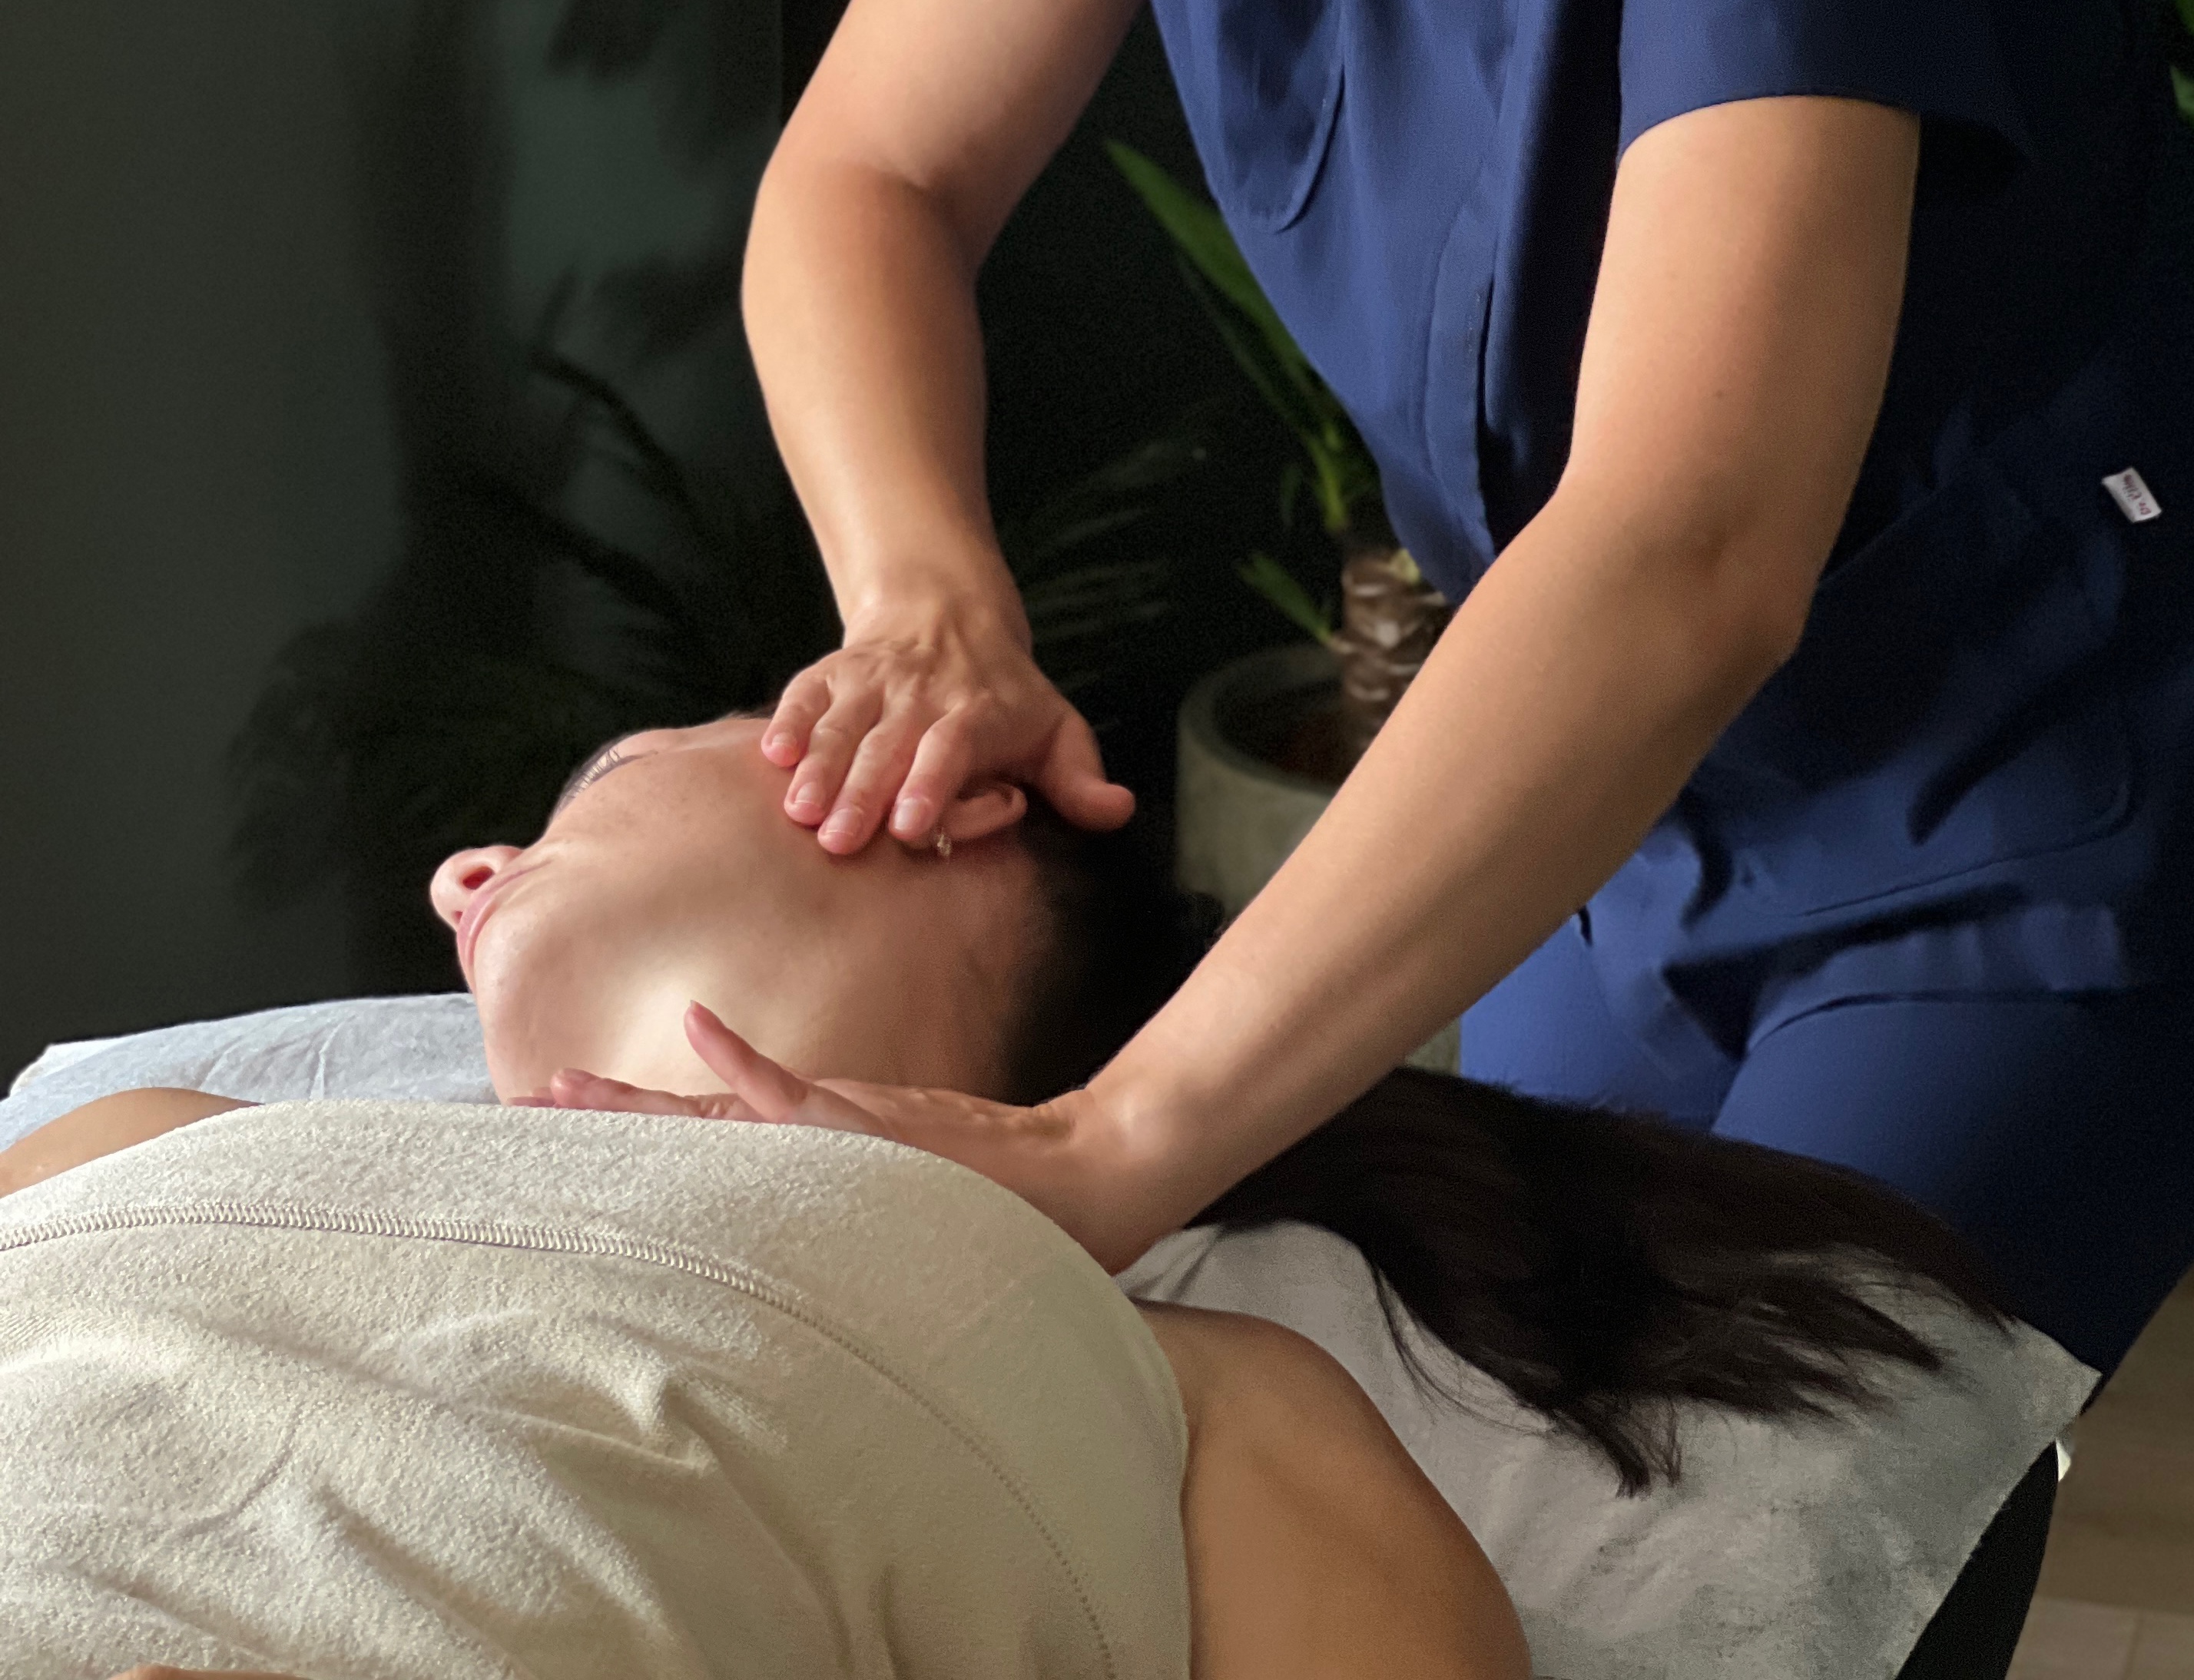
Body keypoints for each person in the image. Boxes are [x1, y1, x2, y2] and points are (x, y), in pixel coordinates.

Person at [727, 0, 2194, 1410]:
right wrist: (924, 598)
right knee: (1483, 1434)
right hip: (1616, 806)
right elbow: (873, 171)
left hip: (2039, 773)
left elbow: (1696, 551)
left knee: (1780, 1528)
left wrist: (1114, 1139)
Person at [1, 712, 2027, 1678]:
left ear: (938, 806)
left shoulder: (1174, 1378)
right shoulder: (155, 1133)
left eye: (597, 774)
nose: (466, 872)